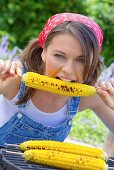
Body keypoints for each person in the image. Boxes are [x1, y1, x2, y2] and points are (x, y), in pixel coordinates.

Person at [0, 13, 114, 145]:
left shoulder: (92, 96)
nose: (68, 70)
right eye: (59, 56)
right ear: (43, 52)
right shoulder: (15, 78)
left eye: (82, 60)